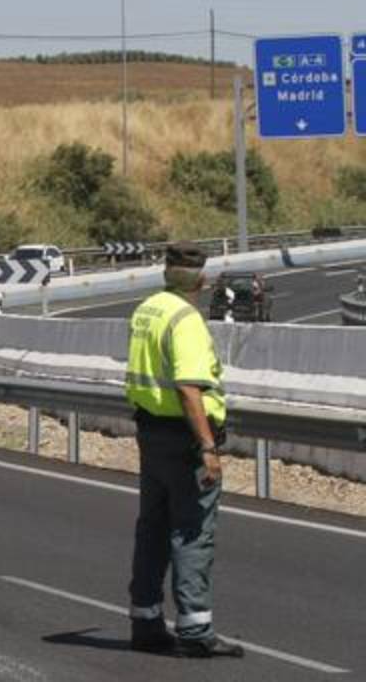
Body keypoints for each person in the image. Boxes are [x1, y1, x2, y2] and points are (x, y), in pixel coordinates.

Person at [124, 242, 243, 659]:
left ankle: (146, 621)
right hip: (184, 439)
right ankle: (195, 630)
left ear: (164, 274)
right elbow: (189, 388)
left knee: (152, 528)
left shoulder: (147, 310)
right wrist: (208, 448)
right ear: (203, 280)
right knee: (192, 532)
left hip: (150, 433)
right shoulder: (186, 320)